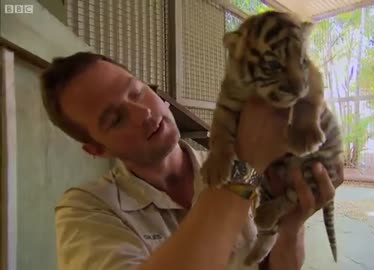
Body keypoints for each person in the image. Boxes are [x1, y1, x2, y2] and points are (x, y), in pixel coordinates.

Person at [40, 51, 340, 270]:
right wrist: (244, 166)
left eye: (137, 92)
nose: (143, 113)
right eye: (116, 119)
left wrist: (291, 225)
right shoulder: (85, 210)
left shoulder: (241, 170)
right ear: (97, 150)